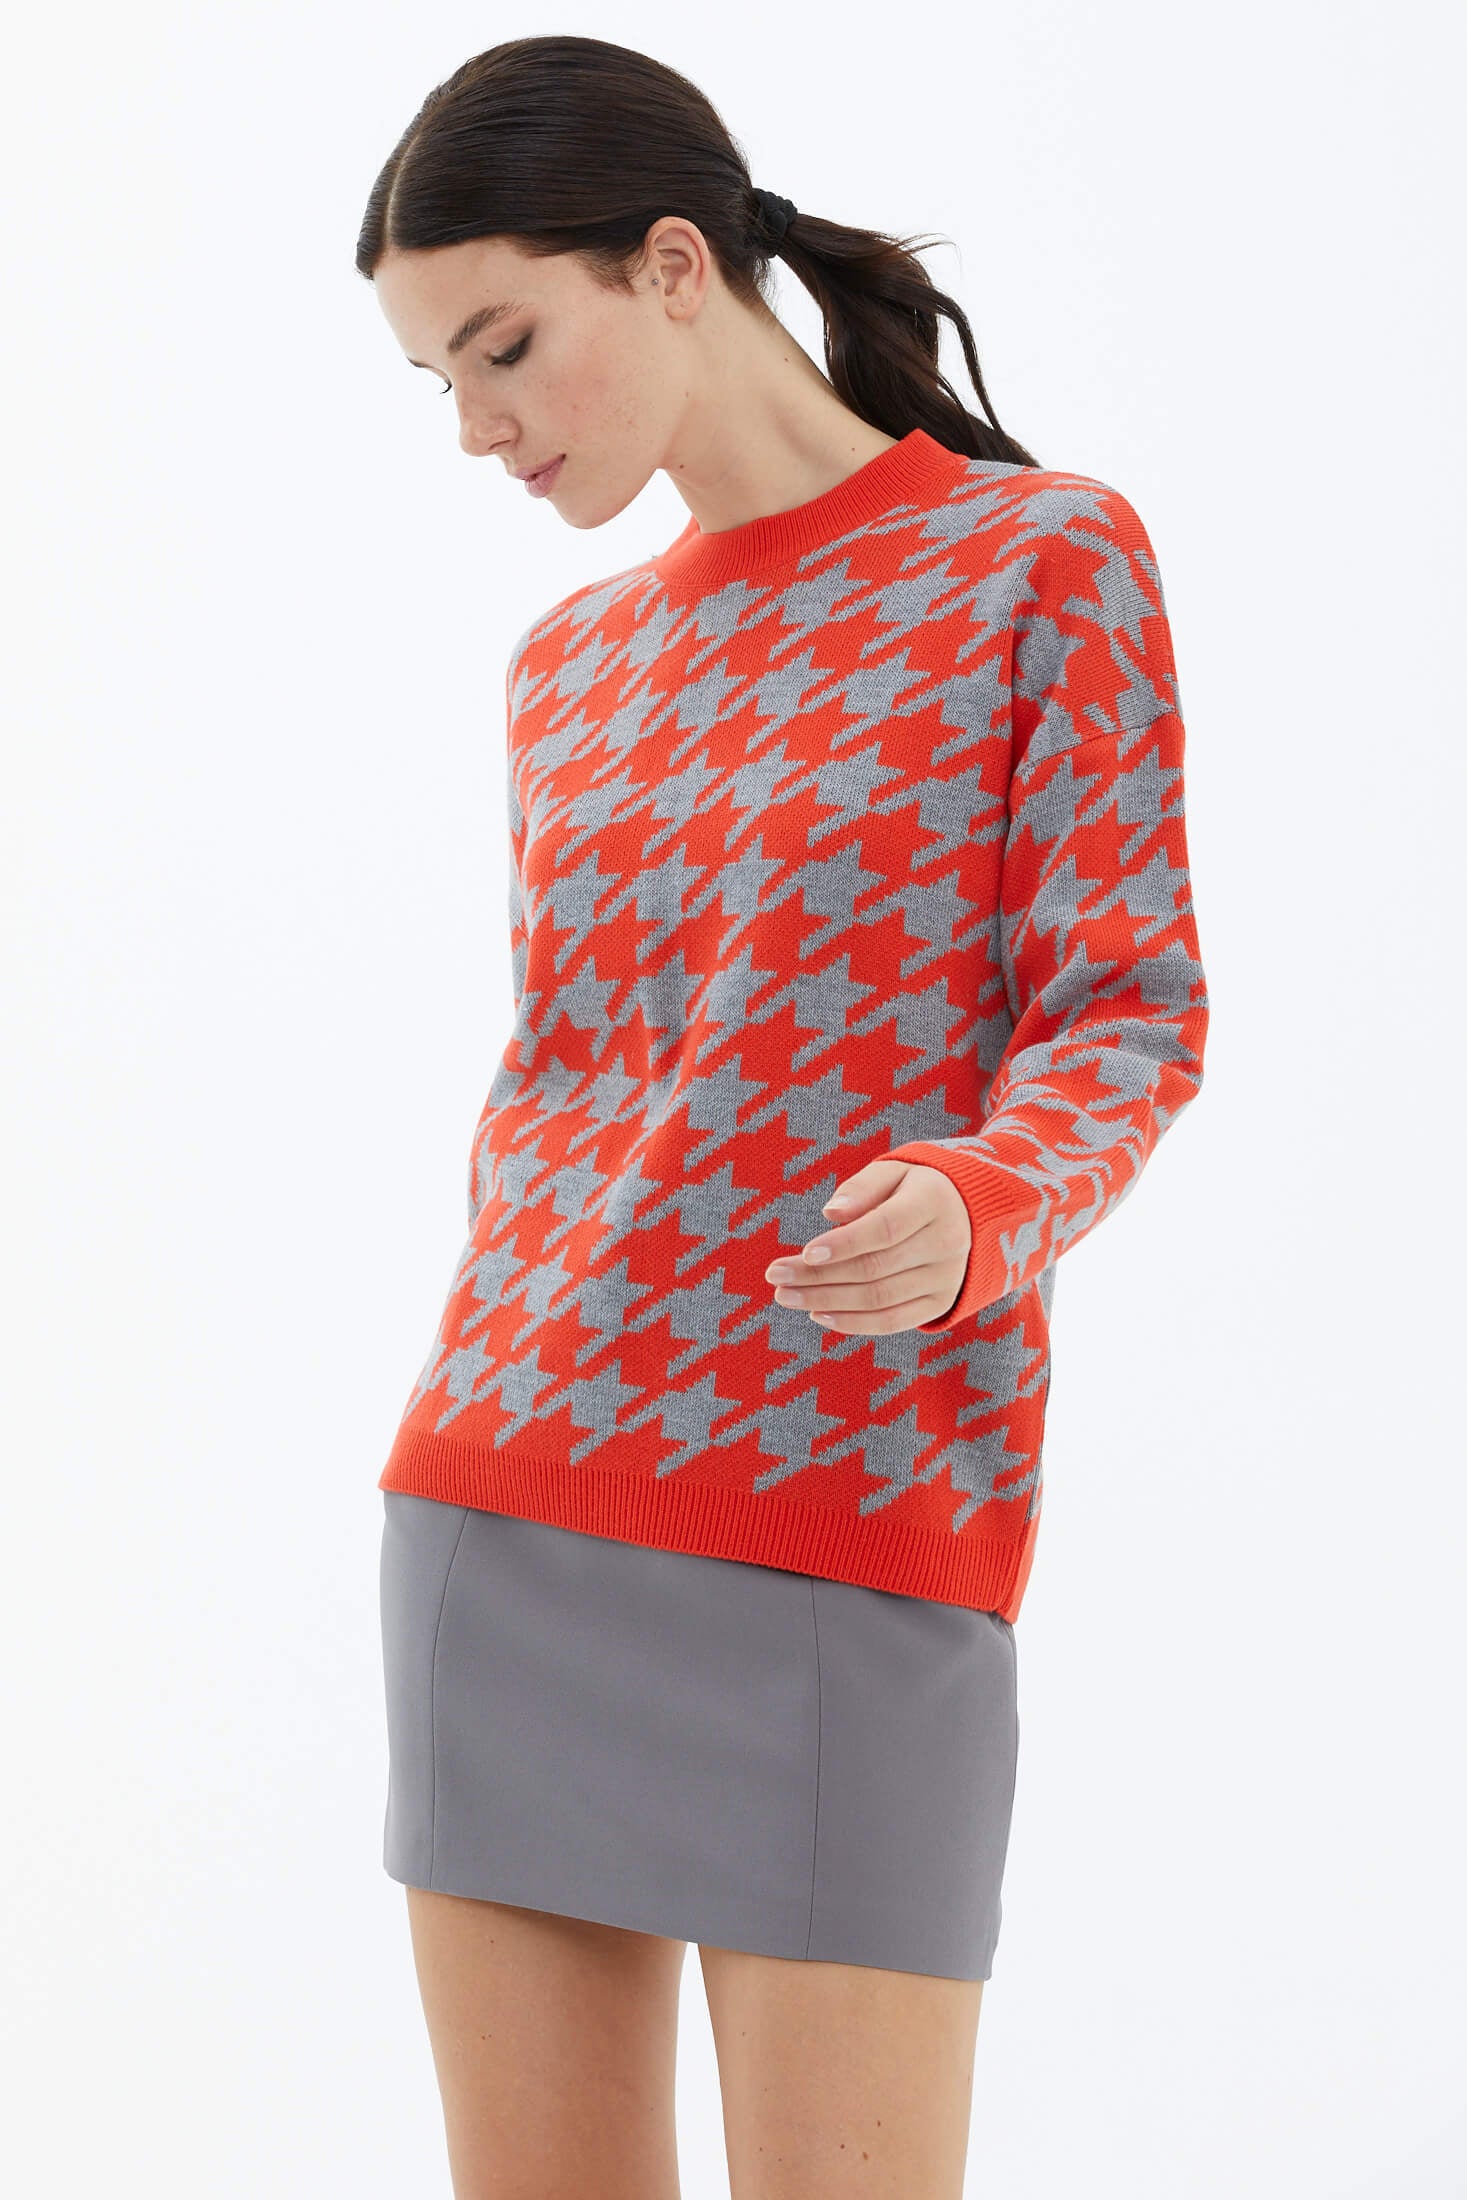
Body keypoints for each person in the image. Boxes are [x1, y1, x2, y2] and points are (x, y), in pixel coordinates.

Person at [359, 32, 1209, 2200]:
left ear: (671, 264)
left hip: (855, 1511)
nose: (474, 428)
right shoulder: (567, 668)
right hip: (510, 1499)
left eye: (501, 348)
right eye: (436, 382)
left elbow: (1124, 1013)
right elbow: (569, 1084)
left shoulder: (1038, 564)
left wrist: (982, 1199)